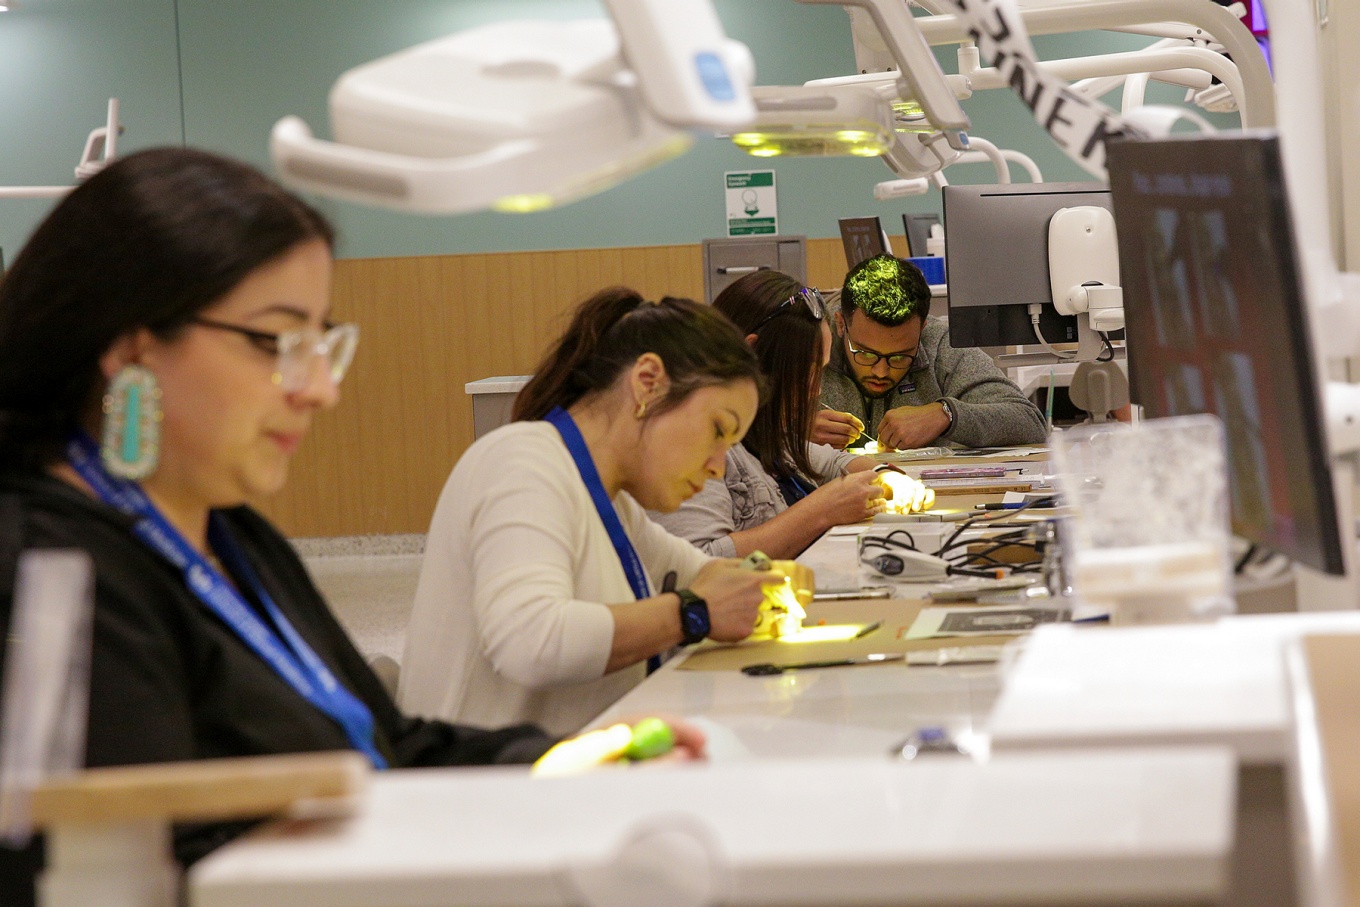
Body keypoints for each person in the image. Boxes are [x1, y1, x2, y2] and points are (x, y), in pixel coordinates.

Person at [0, 149, 699, 906]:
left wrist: (570, 761)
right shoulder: (48, 572)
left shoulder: (231, 533)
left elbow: (380, 744)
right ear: (134, 347)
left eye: (323, 344)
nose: (322, 388)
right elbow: (109, 863)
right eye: (278, 343)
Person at [398, 289, 776, 737]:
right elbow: (530, 641)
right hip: (480, 791)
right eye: (717, 430)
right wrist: (692, 613)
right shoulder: (523, 463)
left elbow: (710, 576)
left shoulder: (612, 503)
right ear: (648, 382)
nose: (717, 466)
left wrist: (761, 589)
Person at [650, 270, 887, 559]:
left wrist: (885, 477)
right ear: (751, 354)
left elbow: (831, 461)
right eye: (806, 371)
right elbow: (701, 563)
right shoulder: (689, 437)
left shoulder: (763, 434)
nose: (815, 390)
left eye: (821, 371)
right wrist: (820, 512)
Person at [819, 253, 1047, 450]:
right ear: (840, 324)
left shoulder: (938, 345)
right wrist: (790, 437)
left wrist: (946, 415)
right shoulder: (808, 347)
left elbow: (1029, 422)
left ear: (922, 328)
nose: (880, 372)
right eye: (866, 354)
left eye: (899, 356)